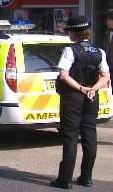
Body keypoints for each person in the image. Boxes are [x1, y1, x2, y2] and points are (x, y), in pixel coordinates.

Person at [51, 16, 110, 189]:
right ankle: (86, 177)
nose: (68, 33)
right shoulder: (99, 51)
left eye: (69, 30)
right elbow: (106, 76)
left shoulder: (70, 50)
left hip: (73, 98)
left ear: (75, 33)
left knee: (70, 137)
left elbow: (64, 75)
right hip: (92, 98)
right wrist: (92, 89)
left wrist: (81, 88)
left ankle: (65, 180)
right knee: (90, 137)